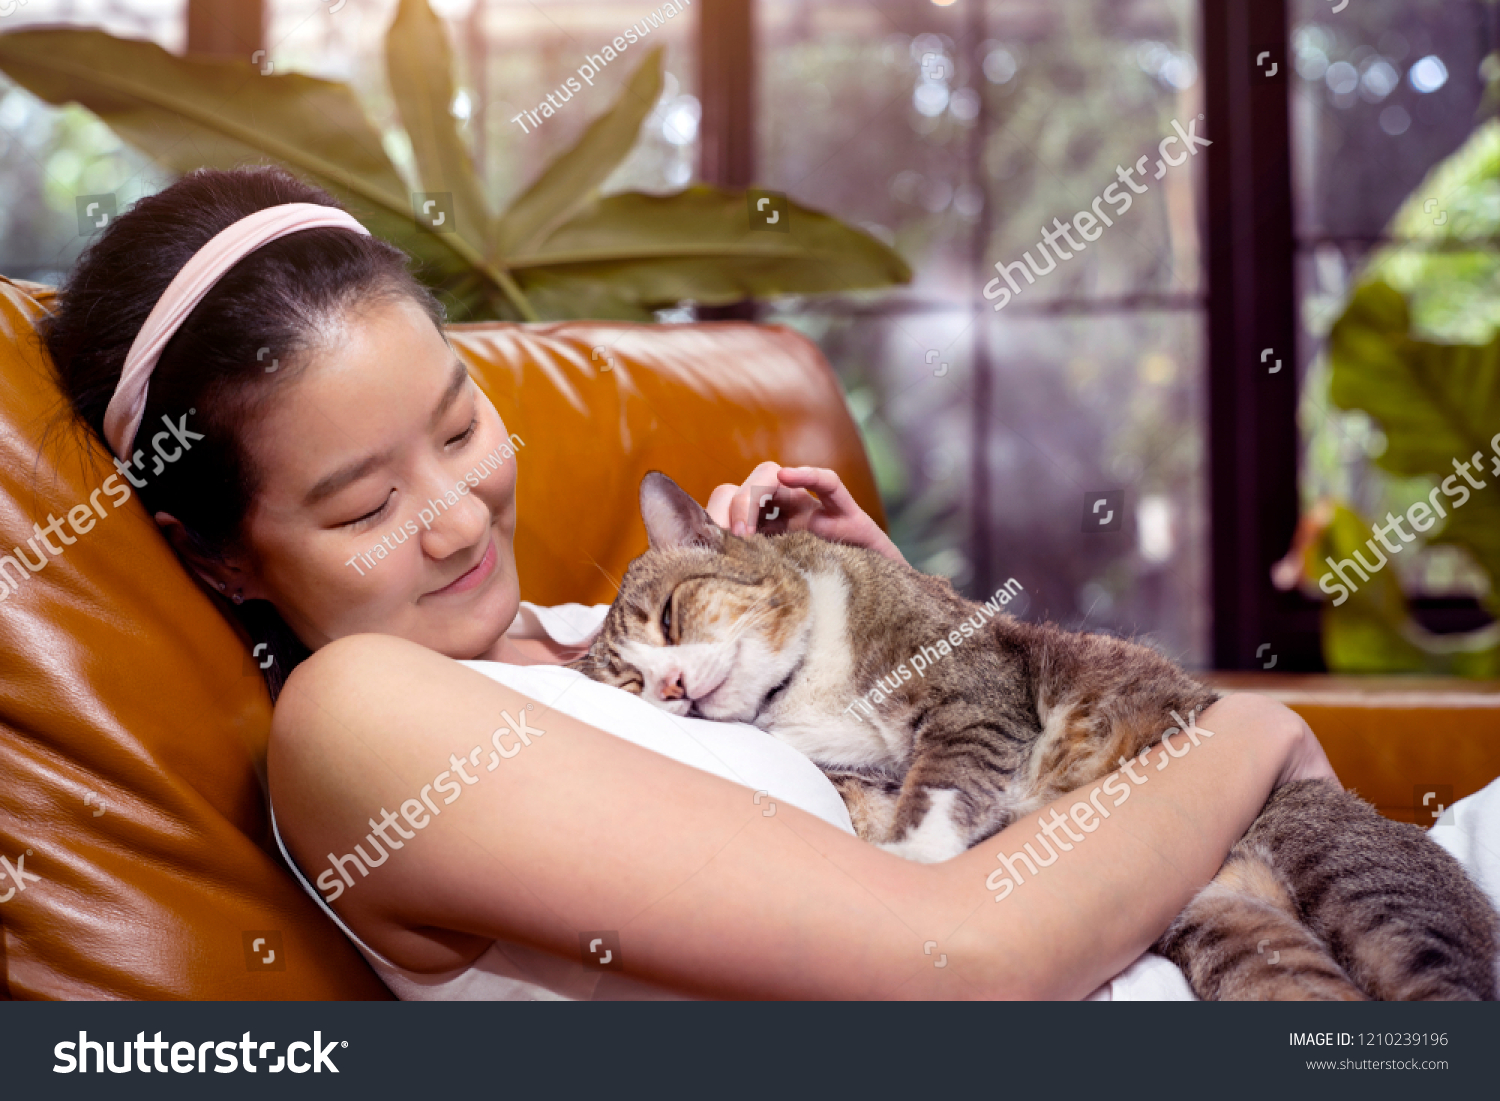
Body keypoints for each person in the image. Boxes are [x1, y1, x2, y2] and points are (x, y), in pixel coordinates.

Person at [45, 166, 1336, 1000]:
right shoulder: (362, 719)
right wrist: (1252, 727)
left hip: (1256, 928)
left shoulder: (591, 636)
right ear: (219, 550)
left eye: (457, 427)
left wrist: (903, 640)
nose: (454, 518)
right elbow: (963, 963)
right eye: (366, 504)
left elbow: (986, 810)